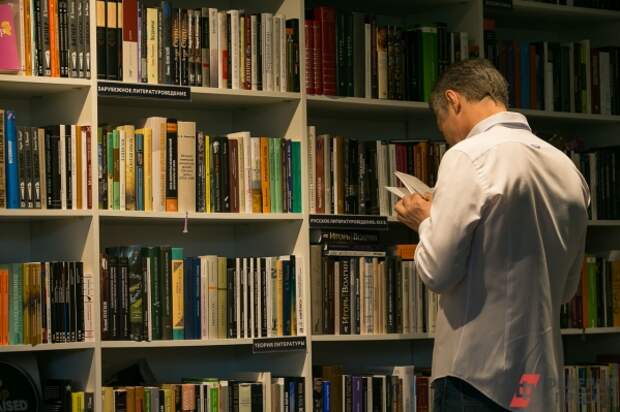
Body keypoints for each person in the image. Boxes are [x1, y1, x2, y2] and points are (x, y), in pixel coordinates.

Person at [395, 59, 590, 411]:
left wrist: (425, 221)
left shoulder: (467, 156)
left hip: (475, 377)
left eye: (441, 122)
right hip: (533, 379)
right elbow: (566, 290)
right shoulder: (566, 167)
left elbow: (438, 272)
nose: (446, 134)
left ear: (453, 100)